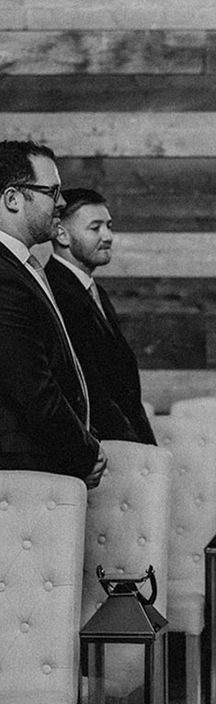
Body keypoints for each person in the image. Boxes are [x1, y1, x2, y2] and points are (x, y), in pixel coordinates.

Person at [0, 140, 105, 486]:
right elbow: (33, 386)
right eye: (52, 191)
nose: (61, 202)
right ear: (13, 199)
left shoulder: (22, 266)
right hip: (23, 475)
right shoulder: (4, 275)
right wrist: (84, 452)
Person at [46, 188, 156, 445]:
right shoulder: (57, 292)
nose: (108, 236)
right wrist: (133, 447)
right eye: (95, 228)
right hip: (101, 448)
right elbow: (90, 390)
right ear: (62, 234)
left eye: (108, 226)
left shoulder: (95, 291)